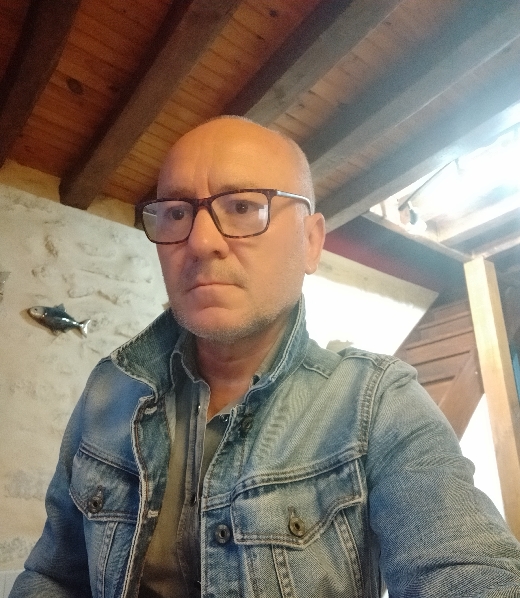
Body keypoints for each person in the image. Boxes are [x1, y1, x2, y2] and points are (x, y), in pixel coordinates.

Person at [10, 116, 520, 598]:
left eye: (242, 207)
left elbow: (467, 570)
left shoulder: (378, 403)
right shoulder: (110, 389)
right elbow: (54, 575)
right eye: (177, 213)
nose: (201, 241)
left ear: (311, 242)